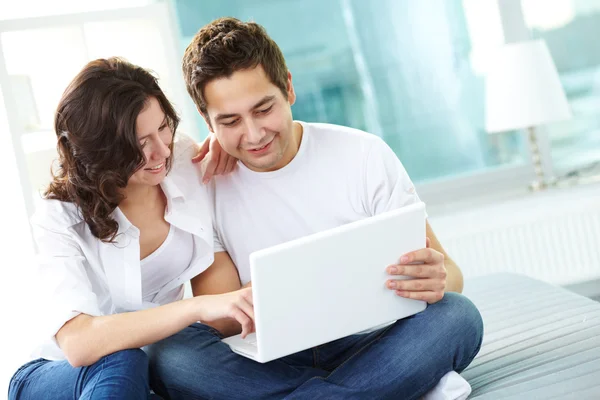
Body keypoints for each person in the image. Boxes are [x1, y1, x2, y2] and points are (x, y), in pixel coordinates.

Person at [147, 17, 484, 400]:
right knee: (170, 356)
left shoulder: (363, 155)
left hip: (371, 340)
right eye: (230, 121)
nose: (254, 134)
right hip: (268, 360)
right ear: (207, 120)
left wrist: (437, 281)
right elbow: (225, 320)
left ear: (288, 88)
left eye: (263, 109)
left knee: (458, 316)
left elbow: (450, 275)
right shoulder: (205, 185)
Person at [7, 57, 251, 400]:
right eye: (139, 143)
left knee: (185, 358)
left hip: (157, 353)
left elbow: (219, 317)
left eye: (164, 127)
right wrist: (195, 308)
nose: (161, 151)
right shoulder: (59, 216)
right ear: (100, 150)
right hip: (60, 372)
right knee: (122, 360)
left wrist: (224, 141)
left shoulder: (181, 162)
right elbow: (78, 344)